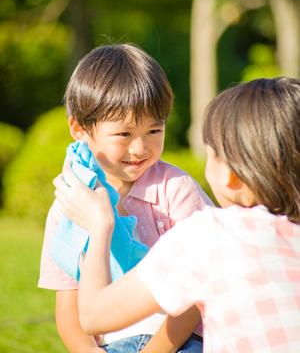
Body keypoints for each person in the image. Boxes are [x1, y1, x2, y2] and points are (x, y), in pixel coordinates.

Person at [54, 77, 300, 352]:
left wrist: (100, 223)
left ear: (230, 176)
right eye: (124, 134)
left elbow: (93, 316)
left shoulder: (209, 234)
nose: (139, 147)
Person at [39, 43, 212, 352]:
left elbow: (194, 292)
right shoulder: (70, 202)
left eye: (154, 131)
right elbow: (68, 305)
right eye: (124, 134)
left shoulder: (175, 190)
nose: (140, 148)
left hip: (180, 339)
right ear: (79, 128)